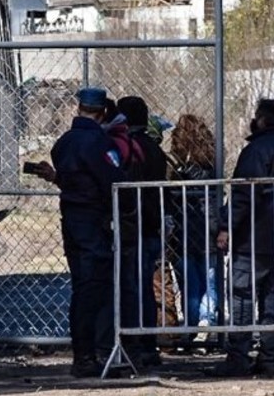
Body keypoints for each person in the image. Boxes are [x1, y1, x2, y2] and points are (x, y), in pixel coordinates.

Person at [29, 86, 128, 379]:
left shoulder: (63, 143)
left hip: (71, 219)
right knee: (94, 288)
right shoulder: (99, 144)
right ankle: (89, 356)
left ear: (79, 109)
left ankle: (82, 353)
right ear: (102, 113)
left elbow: (72, 180)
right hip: (93, 222)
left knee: (81, 288)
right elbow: (113, 178)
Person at [208, 98, 274, 378]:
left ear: (261, 119)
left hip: (254, 238)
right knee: (272, 298)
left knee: (242, 296)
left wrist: (226, 226)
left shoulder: (256, 150)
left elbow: (244, 194)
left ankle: (238, 356)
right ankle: (270, 357)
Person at [115, 96, 167, 368]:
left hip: (131, 226)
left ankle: (133, 343)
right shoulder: (155, 149)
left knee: (130, 287)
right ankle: (147, 343)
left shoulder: (128, 148)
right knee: (145, 286)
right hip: (150, 225)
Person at [166, 113, 223, 349]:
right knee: (209, 279)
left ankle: (192, 326)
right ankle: (206, 321)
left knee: (190, 281)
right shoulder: (212, 164)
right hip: (209, 226)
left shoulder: (178, 167)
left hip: (183, 229)